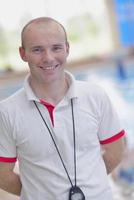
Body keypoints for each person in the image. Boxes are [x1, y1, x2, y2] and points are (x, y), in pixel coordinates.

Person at [0, 17, 125, 200]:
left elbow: (116, 152)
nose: (48, 58)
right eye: (37, 50)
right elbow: (3, 174)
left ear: (67, 48)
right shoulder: (7, 111)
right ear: (23, 53)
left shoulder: (95, 95)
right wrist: (38, 193)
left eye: (56, 48)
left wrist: (92, 182)